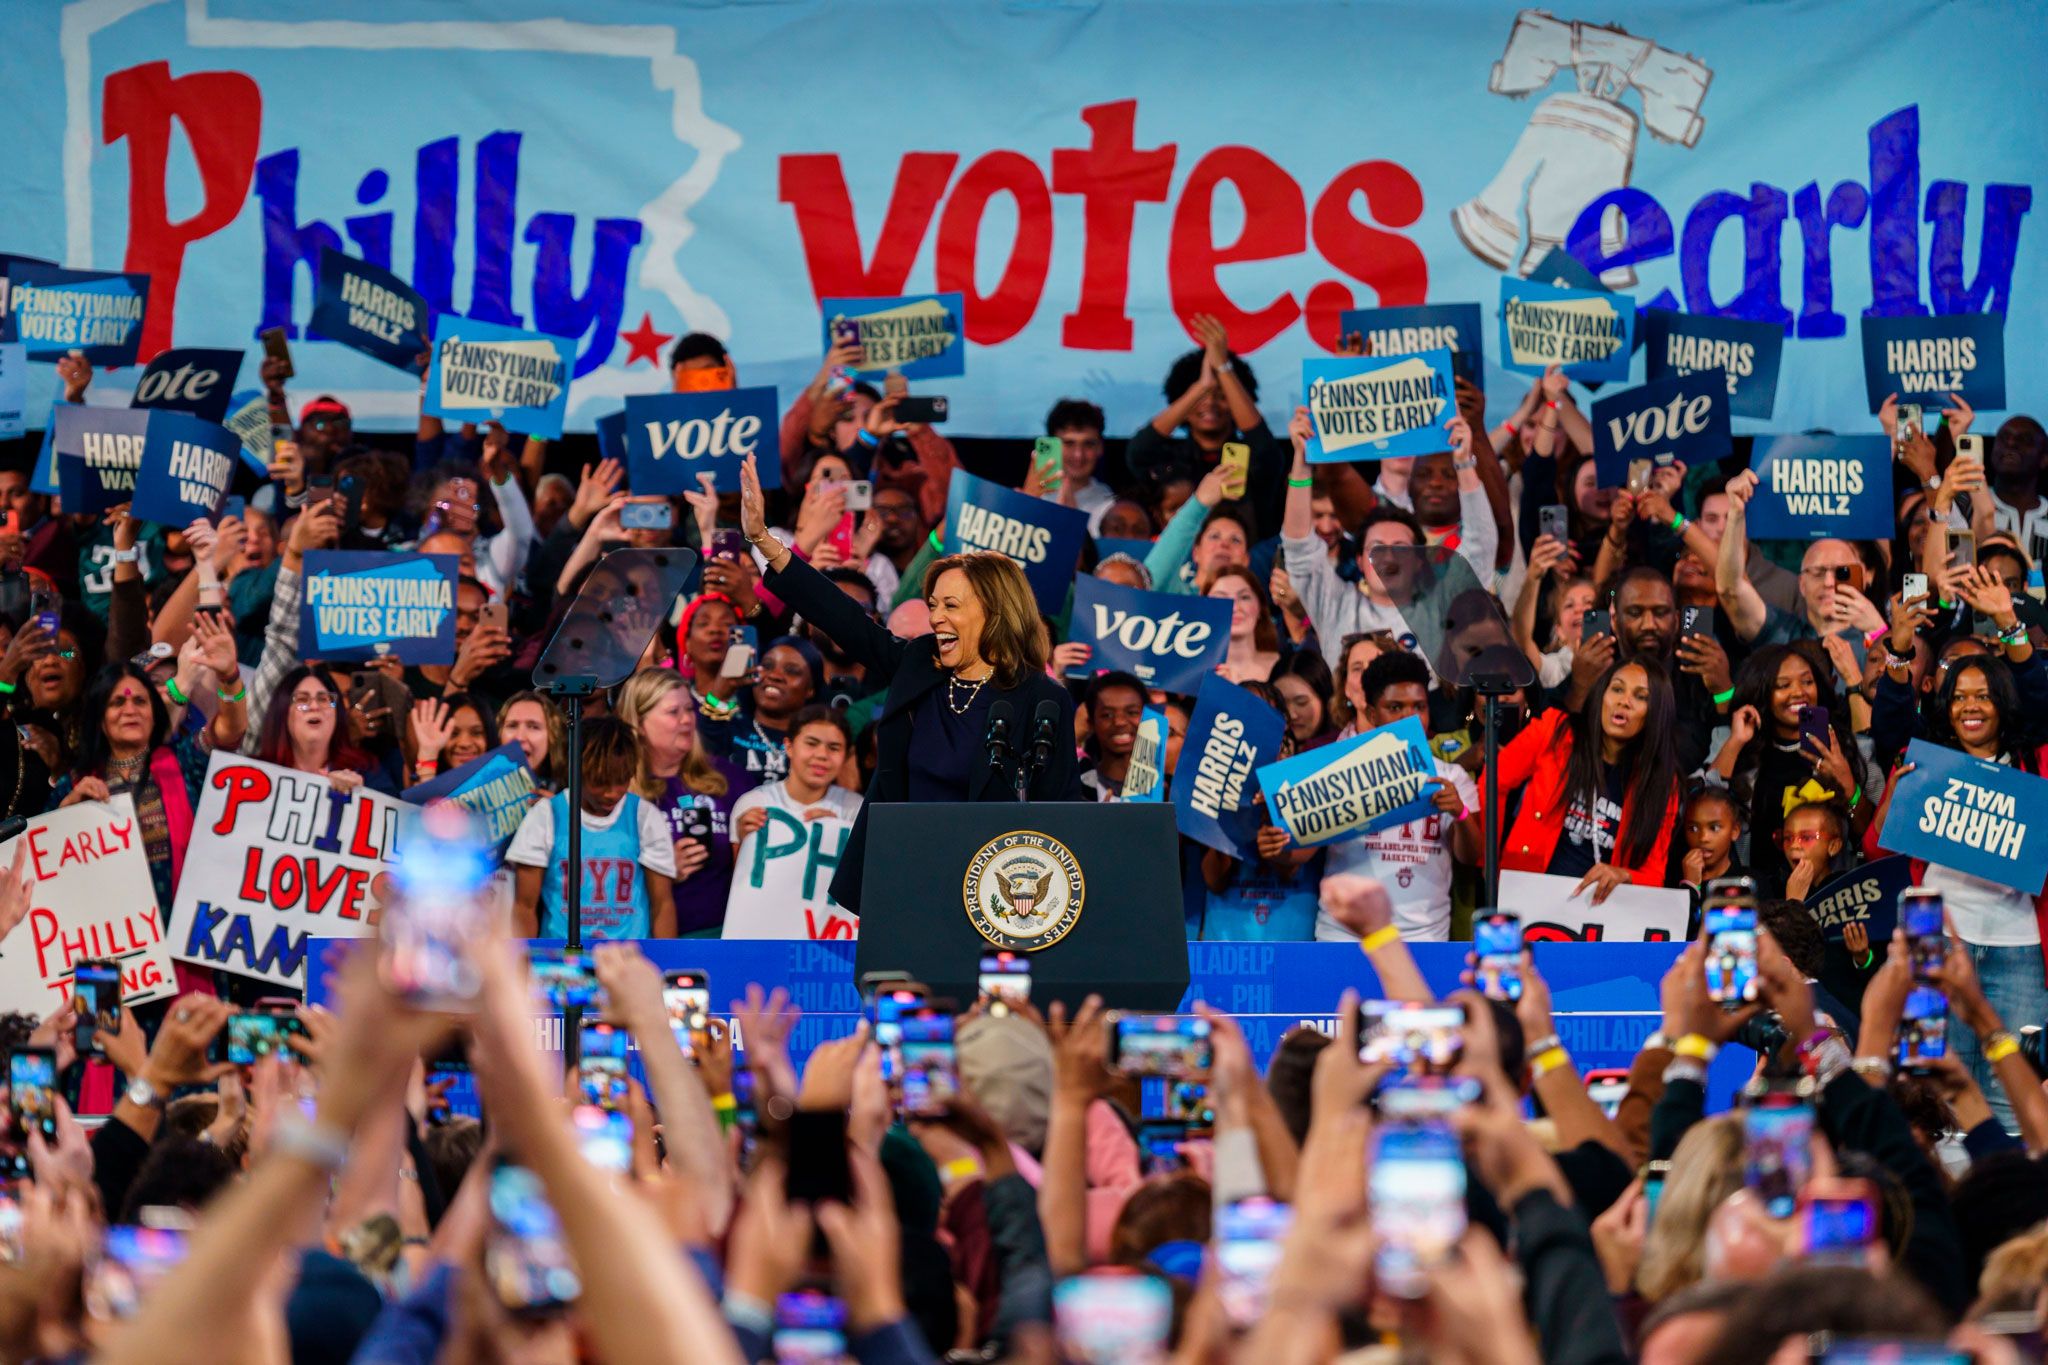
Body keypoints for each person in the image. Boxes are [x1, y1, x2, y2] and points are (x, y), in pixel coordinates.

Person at [737, 454, 1077, 913]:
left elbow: (1064, 815)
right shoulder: (920, 662)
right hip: (903, 877)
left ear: (994, 612)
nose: (936, 617)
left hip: (996, 895)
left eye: (951, 605)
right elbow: (841, 617)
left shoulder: (1042, 699)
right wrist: (764, 540)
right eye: (933, 605)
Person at [53, 629, 248, 913]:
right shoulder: (73, 783)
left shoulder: (185, 761)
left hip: (179, 935)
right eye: (118, 702)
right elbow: (42, 861)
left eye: (140, 701)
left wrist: (229, 676)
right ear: (100, 719)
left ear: (154, 712)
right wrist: (69, 811)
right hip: (103, 937)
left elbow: (231, 730)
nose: (130, 709)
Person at [1483, 657, 1683, 901]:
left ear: (1657, 712)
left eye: (1641, 696)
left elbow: (1654, 875)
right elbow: (1492, 782)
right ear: (1602, 694)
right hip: (1528, 897)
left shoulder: (1662, 783)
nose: (1624, 702)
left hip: (1599, 918)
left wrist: (1625, 875)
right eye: (1617, 689)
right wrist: (1488, 863)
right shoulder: (1555, 730)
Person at [1315, 652, 1478, 941]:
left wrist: (1460, 813)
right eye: (1395, 707)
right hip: (1344, 937)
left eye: (1419, 706)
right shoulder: (1335, 774)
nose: (1409, 717)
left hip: (1424, 940)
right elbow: (1296, 855)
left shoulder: (1452, 778)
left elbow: (1472, 857)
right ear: (1373, 713)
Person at [506, 716, 677, 939]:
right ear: (576, 771)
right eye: (600, 782)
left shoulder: (644, 817)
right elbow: (524, 908)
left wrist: (661, 967)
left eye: (622, 780)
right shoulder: (546, 815)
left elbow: (662, 905)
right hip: (561, 961)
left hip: (629, 958)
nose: (612, 792)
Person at [616, 667, 747, 937]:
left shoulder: (730, 779)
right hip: (647, 937)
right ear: (639, 724)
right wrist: (660, 874)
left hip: (722, 935)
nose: (687, 720)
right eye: (673, 712)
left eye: (689, 709)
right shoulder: (617, 791)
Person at [731, 705, 863, 849]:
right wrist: (745, 840)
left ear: (846, 755)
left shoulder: (856, 809)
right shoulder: (754, 803)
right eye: (811, 743)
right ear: (789, 747)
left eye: (834, 748)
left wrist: (836, 833)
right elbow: (741, 870)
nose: (822, 755)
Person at [250, 664, 392, 795]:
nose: (314, 706)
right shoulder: (253, 772)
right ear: (282, 712)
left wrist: (361, 796)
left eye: (323, 699)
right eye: (302, 699)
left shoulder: (367, 770)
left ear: (338, 714)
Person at [1207, 565, 1282, 684]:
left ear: (1260, 608)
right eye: (1221, 599)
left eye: (1244, 597)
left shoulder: (1284, 667)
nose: (1235, 607)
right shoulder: (1190, 675)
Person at [496, 689, 567, 792]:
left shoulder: (572, 797)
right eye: (512, 726)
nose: (520, 737)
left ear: (552, 736)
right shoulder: (474, 792)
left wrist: (557, 806)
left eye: (533, 727)